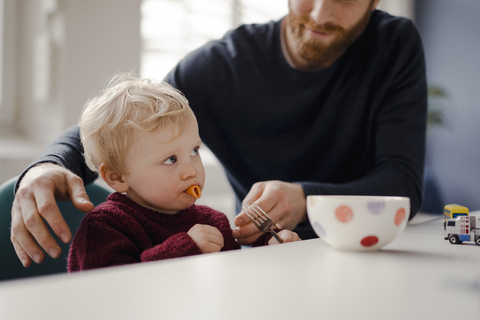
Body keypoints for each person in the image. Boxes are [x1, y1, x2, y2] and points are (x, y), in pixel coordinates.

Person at [11, 0, 427, 267]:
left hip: (367, 257)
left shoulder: (394, 45)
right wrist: (47, 165)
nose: (320, 14)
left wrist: (305, 202)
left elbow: (402, 183)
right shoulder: (221, 67)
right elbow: (123, 127)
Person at [67, 75, 299, 271]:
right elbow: (113, 292)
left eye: (194, 151)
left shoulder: (211, 221)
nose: (191, 171)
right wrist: (185, 248)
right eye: (170, 159)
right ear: (118, 177)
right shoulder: (104, 227)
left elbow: (234, 276)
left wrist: (271, 246)